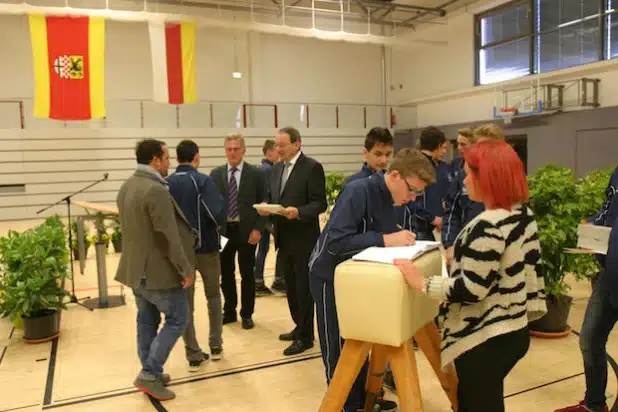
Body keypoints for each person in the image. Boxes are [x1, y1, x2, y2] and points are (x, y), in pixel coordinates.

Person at [395, 140, 547, 412]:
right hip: (514, 330)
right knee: (489, 399)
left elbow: (471, 289)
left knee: (477, 403)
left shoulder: (488, 225)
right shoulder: (522, 214)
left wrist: (421, 282)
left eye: (469, 173)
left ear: (487, 177)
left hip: (485, 336)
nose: (464, 180)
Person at [308, 148, 436, 412]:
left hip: (360, 279)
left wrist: (399, 238)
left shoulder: (391, 199)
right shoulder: (358, 191)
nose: (412, 199)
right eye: (411, 190)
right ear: (395, 176)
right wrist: (387, 239)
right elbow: (336, 242)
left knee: (361, 341)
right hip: (329, 277)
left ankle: (363, 399)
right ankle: (345, 405)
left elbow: (378, 234)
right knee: (338, 348)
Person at [115, 139, 195, 401]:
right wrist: (184, 269)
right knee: (179, 318)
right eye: (166, 157)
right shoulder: (156, 190)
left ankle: (150, 370)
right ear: (154, 160)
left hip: (135, 271)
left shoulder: (127, 187)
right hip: (158, 273)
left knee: (147, 319)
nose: (169, 162)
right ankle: (150, 372)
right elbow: (169, 236)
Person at [257, 126, 327, 356]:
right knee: (291, 289)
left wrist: (299, 212)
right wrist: (267, 208)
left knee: (304, 289)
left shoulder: (312, 168)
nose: (278, 149)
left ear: (297, 144)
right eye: (276, 145)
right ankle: (300, 326)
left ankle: (306, 337)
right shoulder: (276, 170)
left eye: (282, 145)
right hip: (283, 239)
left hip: (304, 239)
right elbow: (273, 197)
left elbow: (320, 204)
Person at [556, 166, 618, 412]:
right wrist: (593, 225)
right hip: (610, 275)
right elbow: (608, 210)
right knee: (590, 340)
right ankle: (594, 405)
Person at [167, 140, 226, 370]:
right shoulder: (203, 181)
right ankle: (216, 344)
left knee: (185, 302)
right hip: (207, 249)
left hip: (180, 253)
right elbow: (216, 212)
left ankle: (192, 352)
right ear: (197, 157)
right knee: (213, 296)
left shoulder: (166, 183)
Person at [211, 134, 267, 330]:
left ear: (243, 150)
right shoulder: (216, 174)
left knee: (247, 275)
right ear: (225, 151)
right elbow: (210, 204)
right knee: (225, 274)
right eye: (229, 149)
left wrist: (259, 228)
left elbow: (265, 203)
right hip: (224, 232)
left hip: (247, 231)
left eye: (236, 149)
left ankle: (247, 314)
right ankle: (230, 311)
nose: (232, 152)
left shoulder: (256, 174)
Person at [442, 124, 505, 265]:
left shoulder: (508, 182)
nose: (459, 148)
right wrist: (450, 244)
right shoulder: (460, 174)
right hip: (468, 244)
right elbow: (452, 211)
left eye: (463, 144)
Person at [254, 139, 286, 296]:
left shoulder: (263, 169)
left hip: (264, 217)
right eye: (276, 150)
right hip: (269, 217)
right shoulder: (269, 170)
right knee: (281, 245)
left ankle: (259, 281)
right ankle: (279, 280)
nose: (279, 152)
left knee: (264, 249)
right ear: (268, 153)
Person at [412, 126, 450, 240]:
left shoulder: (432, 164)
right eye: (443, 147)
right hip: (420, 228)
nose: (444, 152)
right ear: (438, 145)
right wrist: (433, 218)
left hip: (429, 227)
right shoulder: (421, 165)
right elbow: (411, 200)